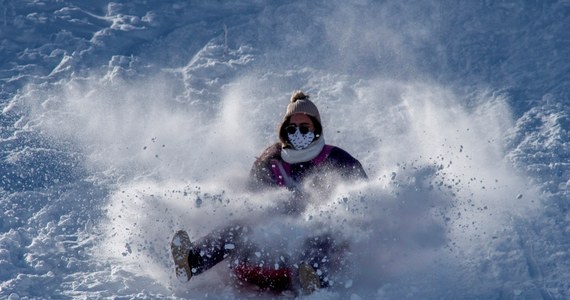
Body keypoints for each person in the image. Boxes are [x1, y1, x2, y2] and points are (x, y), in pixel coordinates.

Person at [171, 91, 367, 294]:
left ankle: (314, 281)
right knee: (242, 225)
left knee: (322, 233)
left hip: (304, 257)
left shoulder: (336, 159)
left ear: (316, 128)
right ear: (284, 130)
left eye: (304, 127)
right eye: (292, 128)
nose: (298, 133)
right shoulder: (271, 159)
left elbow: (362, 199)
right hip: (269, 252)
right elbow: (251, 200)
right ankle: (191, 260)